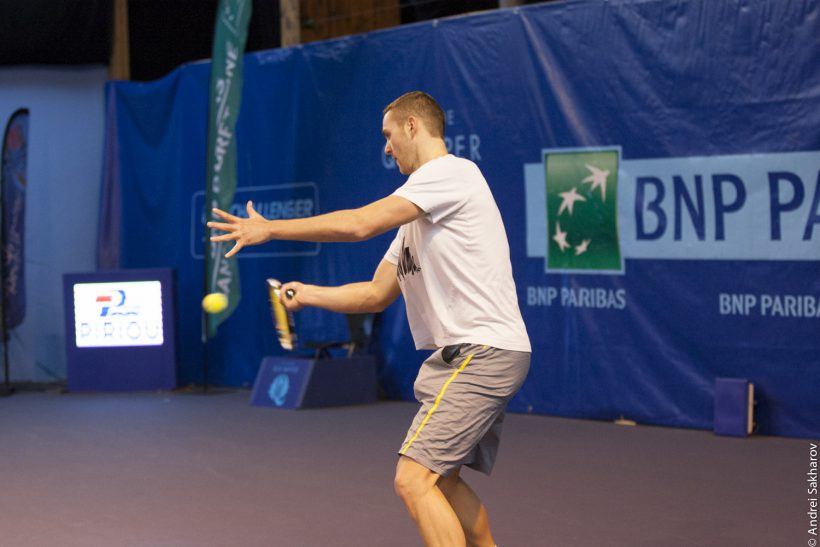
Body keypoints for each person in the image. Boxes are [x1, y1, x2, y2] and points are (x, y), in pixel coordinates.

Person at [208, 91, 531, 547]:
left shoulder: (451, 173)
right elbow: (376, 293)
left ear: (413, 126)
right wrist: (308, 295)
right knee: (441, 481)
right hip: (473, 354)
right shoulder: (415, 220)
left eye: (388, 134)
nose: (386, 147)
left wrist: (271, 228)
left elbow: (360, 223)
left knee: (413, 480)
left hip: (481, 352)